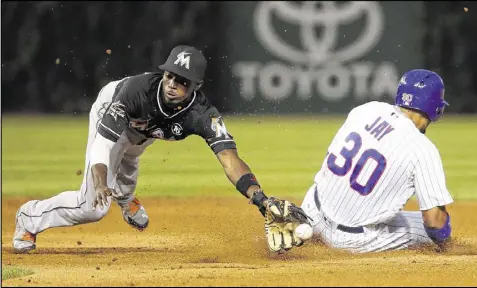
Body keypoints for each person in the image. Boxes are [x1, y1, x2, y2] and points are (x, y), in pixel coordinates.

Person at [13, 45, 307, 253]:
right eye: (170, 75)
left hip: (144, 130)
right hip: (114, 112)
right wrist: (100, 182)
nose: (172, 84)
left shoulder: (202, 114)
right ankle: (29, 217)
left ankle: (126, 199)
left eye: (182, 81)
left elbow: (230, 161)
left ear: (196, 85)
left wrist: (261, 200)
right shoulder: (136, 92)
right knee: (92, 207)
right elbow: (103, 144)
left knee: (132, 152)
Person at [297, 69, 453, 253]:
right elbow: (434, 222)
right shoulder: (423, 149)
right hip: (348, 241)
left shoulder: (367, 109)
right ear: (436, 108)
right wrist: (446, 243)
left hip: (310, 213)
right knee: (434, 223)